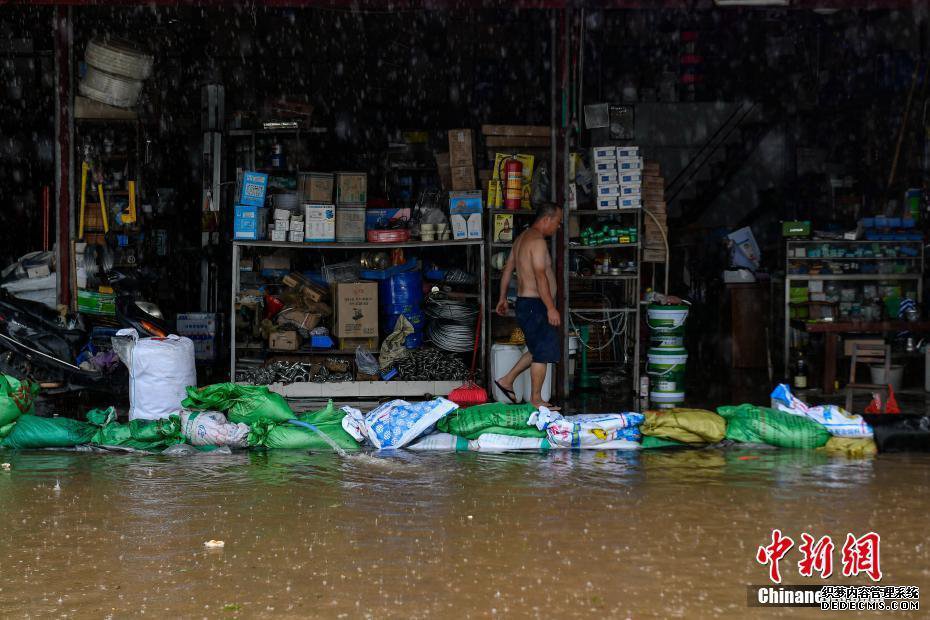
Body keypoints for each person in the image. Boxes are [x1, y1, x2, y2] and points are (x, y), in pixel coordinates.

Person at [494, 202, 563, 409]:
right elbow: (541, 277)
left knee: (537, 348)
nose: (558, 227)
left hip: (526, 304)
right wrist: (551, 307)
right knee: (542, 352)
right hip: (537, 304)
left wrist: (502, 297)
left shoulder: (521, 239)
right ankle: (536, 399)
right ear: (547, 219)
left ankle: (507, 380)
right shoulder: (538, 242)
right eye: (557, 222)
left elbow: (507, 270)